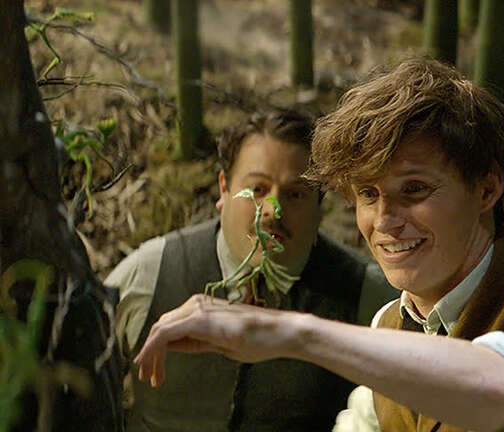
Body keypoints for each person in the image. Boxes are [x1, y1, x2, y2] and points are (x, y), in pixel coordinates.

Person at [133, 57, 504, 432]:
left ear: (487, 189)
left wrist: (293, 332)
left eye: (415, 190)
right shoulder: (391, 322)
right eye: (368, 194)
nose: (384, 221)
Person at [106, 108, 397, 432]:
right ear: (224, 189)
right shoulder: (149, 272)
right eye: (257, 189)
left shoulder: (372, 299)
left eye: (295, 194)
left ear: (320, 206)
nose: (273, 210)